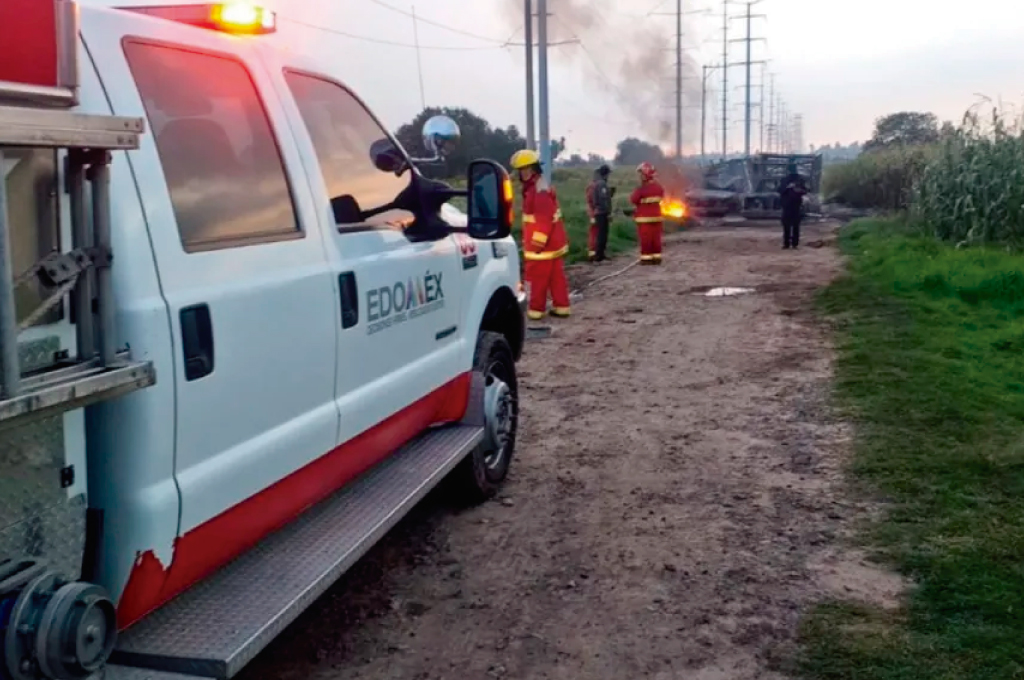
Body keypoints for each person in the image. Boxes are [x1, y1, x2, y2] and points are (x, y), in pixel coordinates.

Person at [509, 149, 571, 320]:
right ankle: (562, 307)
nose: (522, 173)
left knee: (535, 279)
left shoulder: (538, 190)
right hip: (553, 244)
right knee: (556, 278)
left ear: (533, 169)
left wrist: (537, 243)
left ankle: (535, 310)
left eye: (524, 169)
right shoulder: (538, 186)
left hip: (542, 246)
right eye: (521, 170)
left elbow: (544, 218)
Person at [629, 162, 665, 264]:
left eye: (641, 174)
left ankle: (646, 259)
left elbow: (633, 199)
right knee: (656, 239)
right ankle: (657, 257)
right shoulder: (659, 187)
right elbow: (661, 196)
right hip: (657, 217)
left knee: (646, 239)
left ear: (645, 174)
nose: (639, 177)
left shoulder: (641, 189)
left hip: (644, 218)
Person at [586, 164, 614, 262]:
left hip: (596, 212)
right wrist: (608, 212)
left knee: (599, 234)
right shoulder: (601, 184)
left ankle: (597, 255)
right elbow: (601, 200)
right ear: (605, 174)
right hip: (600, 213)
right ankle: (598, 256)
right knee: (600, 234)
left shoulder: (595, 184)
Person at [778, 162, 809, 249]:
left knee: (792, 226)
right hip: (790, 206)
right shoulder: (786, 180)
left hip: (793, 205)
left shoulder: (799, 180)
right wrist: (788, 187)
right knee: (790, 226)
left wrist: (798, 190)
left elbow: (805, 190)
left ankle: (790, 244)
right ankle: (790, 243)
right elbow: (780, 190)